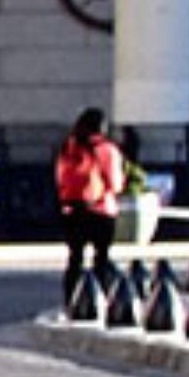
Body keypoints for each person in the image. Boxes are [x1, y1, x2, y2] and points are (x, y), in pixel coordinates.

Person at [55, 107, 126, 304]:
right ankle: (99, 299)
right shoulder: (107, 150)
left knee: (75, 258)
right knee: (101, 258)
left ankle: (71, 300)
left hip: (72, 209)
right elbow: (115, 184)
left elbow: (60, 179)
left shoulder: (69, 147)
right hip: (102, 210)